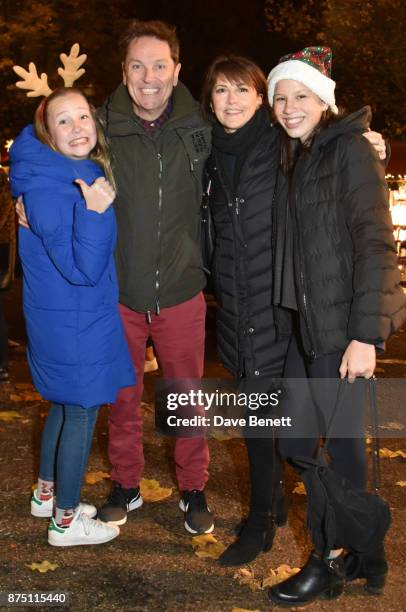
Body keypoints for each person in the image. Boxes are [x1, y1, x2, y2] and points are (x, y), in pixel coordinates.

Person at [200, 55, 387, 568]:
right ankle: (290, 520)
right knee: (271, 427)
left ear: (261, 99)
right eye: (220, 91)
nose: (232, 101)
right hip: (246, 307)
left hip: (299, 316)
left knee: (322, 435)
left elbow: (350, 197)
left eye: (244, 90)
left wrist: (371, 146)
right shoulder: (207, 153)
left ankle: (342, 547)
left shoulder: (282, 145)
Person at [266, 47, 405, 606]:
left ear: (323, 100)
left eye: (301, 95)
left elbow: (376, 243)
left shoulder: (347, 151)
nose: (289, 106)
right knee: (299, 440)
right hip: (308, 325)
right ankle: (367, 551)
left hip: (342, 329)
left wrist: (366, 336)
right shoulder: (302, 153)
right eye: (281, 97)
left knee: (341, 451)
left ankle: (331, 559)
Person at [96, 20, 213, 534]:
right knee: (122, 401)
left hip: (183, 292)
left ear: (177, 70)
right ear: (124, 71)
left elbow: (266, 145)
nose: (149, 77)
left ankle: (193, 489)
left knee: (187, 400)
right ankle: (126, 484)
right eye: (138, 66)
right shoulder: (99, 126)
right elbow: (43, 145)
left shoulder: (203, 126)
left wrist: (359, 140)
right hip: (119, 294)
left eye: (159, 65)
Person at [9, 87, 135, 547]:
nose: (78, 127)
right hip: (74, 320)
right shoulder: (51, 186)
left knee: (64, 405)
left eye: (83, 115)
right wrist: (98, 213)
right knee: (81, 411)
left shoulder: (57, 172)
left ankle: (47, 495)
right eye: (64, 120)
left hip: (67, 317)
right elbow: (82, 269)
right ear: (47, 130)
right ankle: (65, 521)